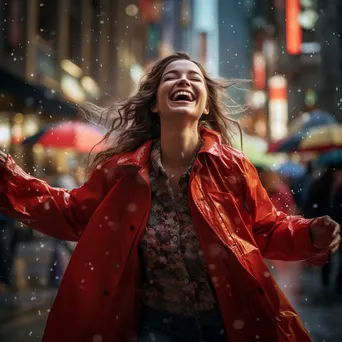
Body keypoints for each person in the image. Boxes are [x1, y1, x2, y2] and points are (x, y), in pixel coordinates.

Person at [0, 52, 340, 342]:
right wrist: (9, 178)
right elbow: (72, 213)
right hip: (155, 328)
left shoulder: (233, 168)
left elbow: (265, 229)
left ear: (205, 105)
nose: (183, 82)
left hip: (227, 323)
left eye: (194, 78)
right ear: (154, 103)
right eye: (171, 77)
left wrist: (309, 234)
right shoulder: (124, 172)